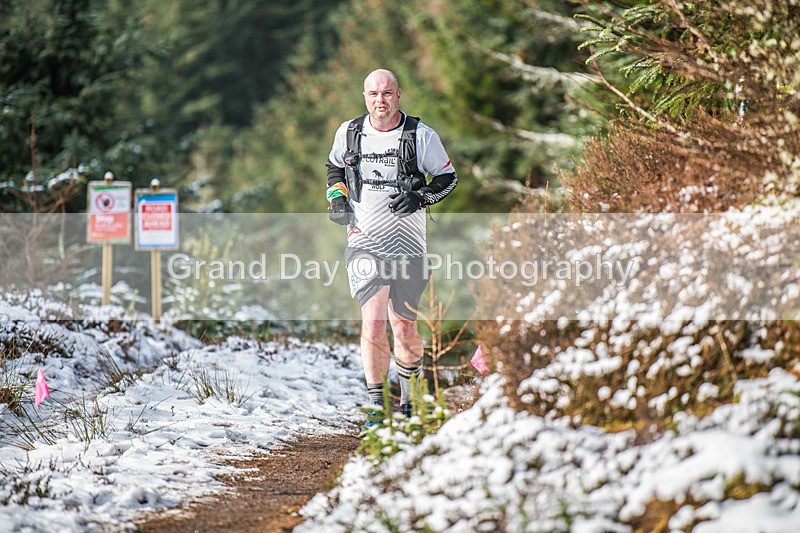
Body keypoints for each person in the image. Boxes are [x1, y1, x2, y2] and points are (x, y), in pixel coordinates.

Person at [325, 69, 457, 431]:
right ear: (364, 96)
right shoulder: (349, 133)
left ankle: (410, 399)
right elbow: (334, 168)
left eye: (386, 93)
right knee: (374, 320)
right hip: (364, 240)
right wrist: (337, 199)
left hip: (410, 244)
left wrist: (420, 197)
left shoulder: (420, 136)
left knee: (403, 325)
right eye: (372, 94)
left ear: (399, 95)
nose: (379, 100)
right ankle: (374, 405)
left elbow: (448, 178)